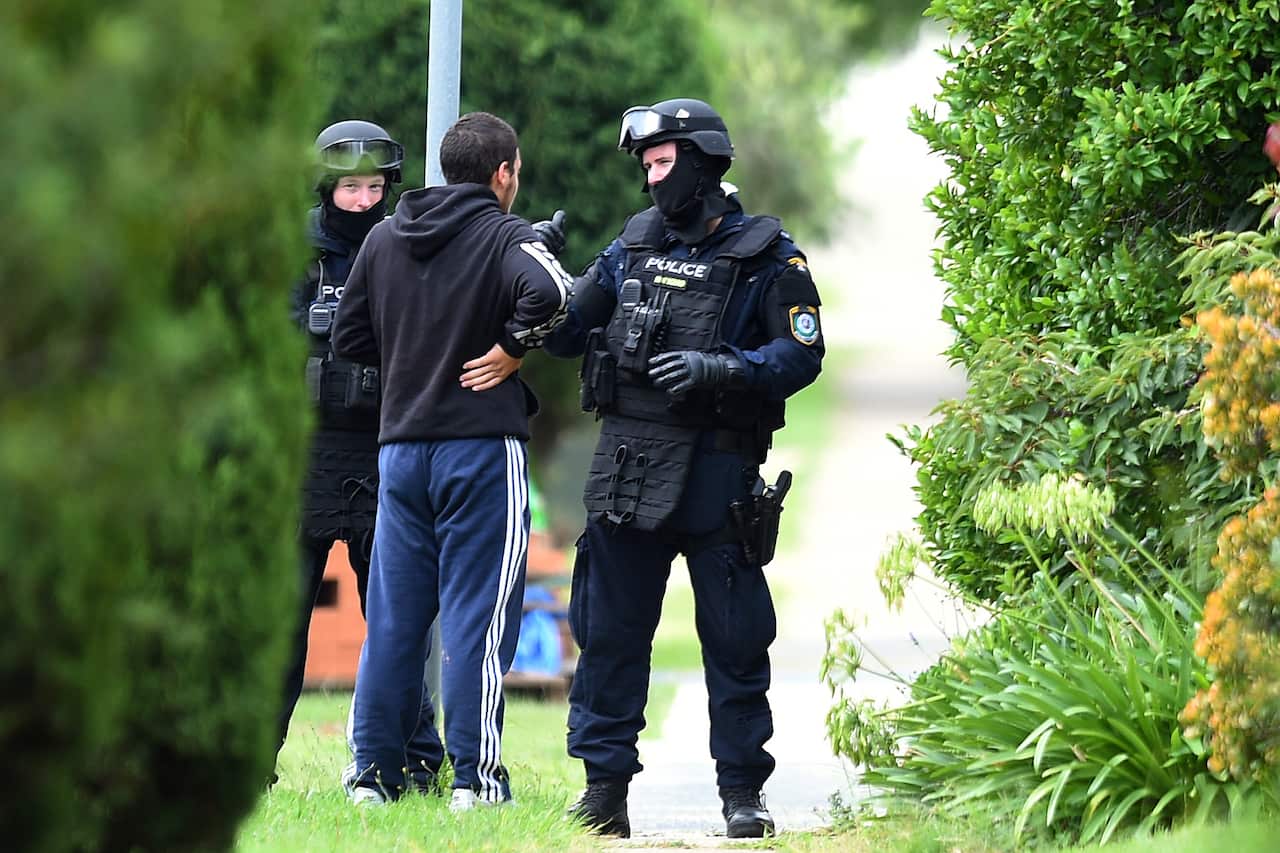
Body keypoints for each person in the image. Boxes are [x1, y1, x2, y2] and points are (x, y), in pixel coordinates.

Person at [544, 98, 824, 839]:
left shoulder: (768, 254)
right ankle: (603, 791)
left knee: (734, 640)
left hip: (717, 473)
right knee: (609, 632)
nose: (651, 180)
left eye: (662, 163)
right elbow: (570, 328)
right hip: (630, 465)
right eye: (646, 165)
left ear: (700, 163)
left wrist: (722, 368)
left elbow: (802, 354)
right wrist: (533, 275)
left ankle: (743, 795)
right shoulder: (632, 242)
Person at [331, 111, 572, 810]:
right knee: (478, 618)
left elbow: (349, 336)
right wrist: (513, 347)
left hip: (400, 454)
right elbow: (558, 293)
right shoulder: (505, 234)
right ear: (503, 173)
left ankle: (371, 777)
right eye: (516, 173)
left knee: (396, 620)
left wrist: (411, 359)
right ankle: (476, 779)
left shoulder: (383, 237)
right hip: (479, 453)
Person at [278, 119, 440, 791]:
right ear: (326, 187)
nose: (363, 199)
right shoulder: (293, 255)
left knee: (397, 619)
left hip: (382, 451)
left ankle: (419, 759)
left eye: (374, 186)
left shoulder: (405, 249)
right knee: (282, 622)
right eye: (350, 187)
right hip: (307, 454)